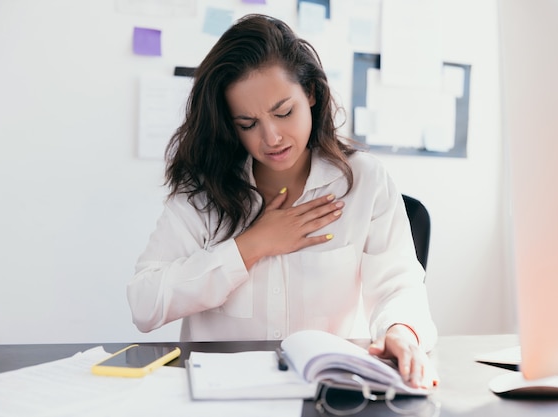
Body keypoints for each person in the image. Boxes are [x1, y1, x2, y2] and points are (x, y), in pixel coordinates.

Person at [127, 14, 438, 388]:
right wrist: (250, 246)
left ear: (310, 93)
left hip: (327, 392)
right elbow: (144, 304)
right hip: (219, 395)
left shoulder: (364, 182)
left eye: (283, 112)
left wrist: (401, 330)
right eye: (247, 123)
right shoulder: (203, 192)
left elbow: (399, 283)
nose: (271, 137)